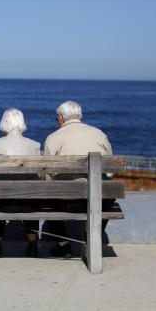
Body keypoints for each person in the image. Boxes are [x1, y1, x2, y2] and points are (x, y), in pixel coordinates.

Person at [44, 100, 114, 258]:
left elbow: (47, 175)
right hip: (101, 197)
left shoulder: (53, 138)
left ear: (61, 118)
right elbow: (110, 171)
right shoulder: (99, 134)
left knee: (46, 199)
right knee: (107, 194)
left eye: (57, 119)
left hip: (69, 199)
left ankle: (63, 246)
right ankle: (91, 238)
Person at [0, 108, 41, 258]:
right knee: (31, 194)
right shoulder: (34, 145)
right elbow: (39, 175)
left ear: (4, 122)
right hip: (29, 203)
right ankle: (32, 246)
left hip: (2, 202)